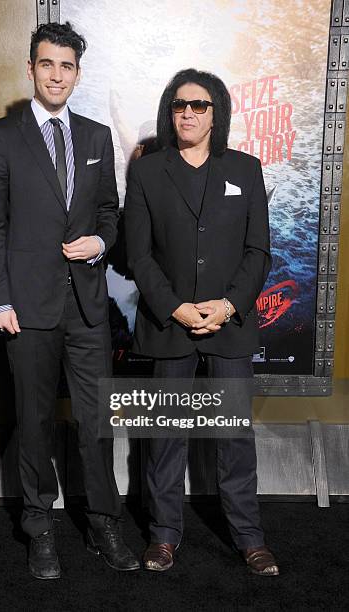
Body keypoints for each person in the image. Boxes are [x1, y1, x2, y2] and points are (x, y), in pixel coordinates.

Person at [0, 21, 139, 579]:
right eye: (47, 64)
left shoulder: (95, 136)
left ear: (77, 74)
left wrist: (100, 241)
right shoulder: (1, 136)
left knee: (97, 422)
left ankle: (102, 523)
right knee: (34, 420)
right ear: (31, 69)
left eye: (66, 66)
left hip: (87, 306)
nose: (56, 75)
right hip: (25, 307)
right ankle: (39, 527)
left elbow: (109, 214)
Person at [124, 68, 279, 576]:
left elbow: (258, 252)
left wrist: (228, 305)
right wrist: (176, 308)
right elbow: (139, 256)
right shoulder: (147, 171)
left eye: (200, 105)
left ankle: (249, 537)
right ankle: (163, 535)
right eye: (180, 105)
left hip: (229, 325)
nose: (188, 113)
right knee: (166, 435)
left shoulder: (246, 168)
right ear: (171, 111)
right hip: (171, 326)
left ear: (217, 113)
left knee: (234, 436)